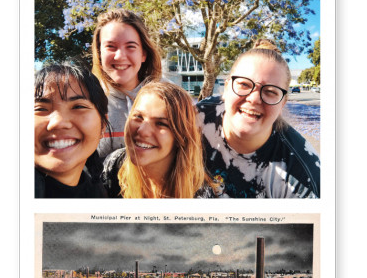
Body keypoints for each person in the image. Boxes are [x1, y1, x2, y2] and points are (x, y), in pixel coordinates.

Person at [197, 39, 320, 198]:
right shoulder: (194, 118)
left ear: (283, 103)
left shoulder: (302, 176)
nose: (254, 99)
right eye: (244, 85)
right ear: (226, 88)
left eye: (270, 91)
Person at [102, 82, 217, 198]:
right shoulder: (113, 166)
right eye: (138, 117)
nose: (143, 130)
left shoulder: (201, 196)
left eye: (161, 123)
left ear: (181, 136)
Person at [91, 8, 162, 159]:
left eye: (130, 46)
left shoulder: (167, 99)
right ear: (99, 52)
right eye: (111, 46)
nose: (120, 56)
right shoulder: (86, 101)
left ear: (143, 54)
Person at [35, 61, 110, 198]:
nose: (58, 123)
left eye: (78, 107)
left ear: (102, 126)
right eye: (41, 109)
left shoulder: (98, 193)